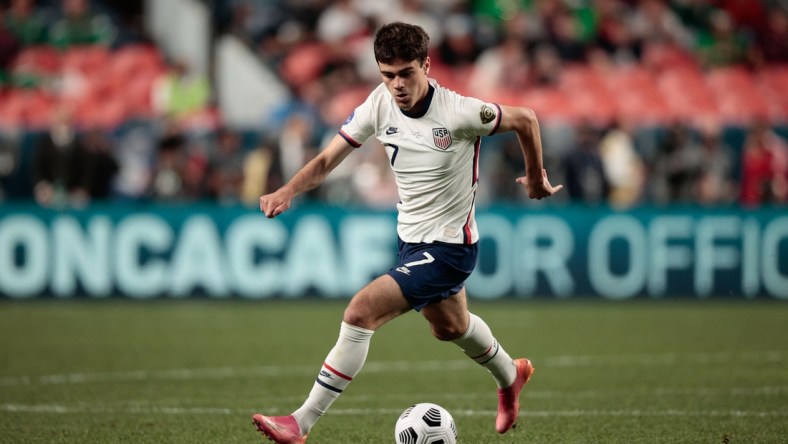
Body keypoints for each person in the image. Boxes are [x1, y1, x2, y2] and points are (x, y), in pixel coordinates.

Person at [253, 22, 563, 443]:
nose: (397, 85)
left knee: (360, 313)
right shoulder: (379, 104)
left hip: (451, 247)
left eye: (406, 73)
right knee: (450, 328)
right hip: (411, 242)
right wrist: (287, 190)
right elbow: (327, 160)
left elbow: (526, 119)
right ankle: (511, 376)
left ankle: (300, 422)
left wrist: (534, 178)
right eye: (388, 74)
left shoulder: (458, 112)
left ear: (427, 65)